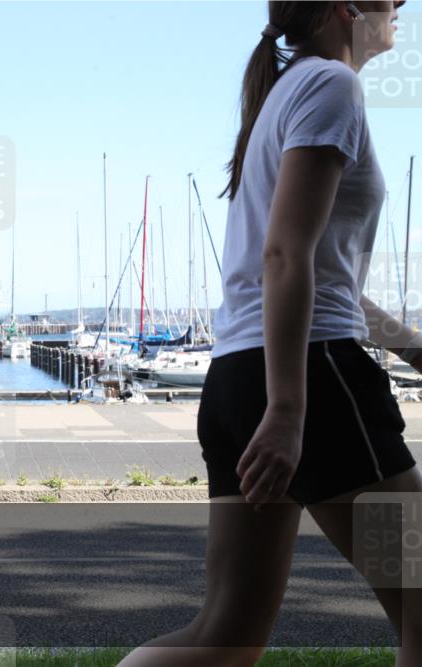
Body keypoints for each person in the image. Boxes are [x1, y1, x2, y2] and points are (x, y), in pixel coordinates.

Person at [118, 3, 420, 666]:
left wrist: (413, 347)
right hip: (308, 377)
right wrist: (288, 410)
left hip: (236, 378)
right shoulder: (332, 86)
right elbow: (284, 256)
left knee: (223, 637)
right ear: (348, 8)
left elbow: (315, 272)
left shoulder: (289, 91)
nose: (401, 9)